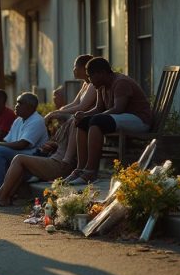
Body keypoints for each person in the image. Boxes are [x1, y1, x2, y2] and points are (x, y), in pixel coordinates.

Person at [65, 56, 153, 185]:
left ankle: (90, 172)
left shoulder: (121, 82)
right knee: (83, 123)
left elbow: (118, 108)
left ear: (101, 73)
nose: (89, 80)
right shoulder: (100, 86)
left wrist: (94, 118)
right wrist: (84, 114)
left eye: (90, 76)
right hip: (120, 119)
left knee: (96, 121)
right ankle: (80, 169)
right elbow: (98, 108)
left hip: (139, 120)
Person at [0, 119, 78, 207]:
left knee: (18, 158)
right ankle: (2, 195)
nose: (17, 106)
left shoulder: (74, 122)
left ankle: (1, 197)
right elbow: (62, 148)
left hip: (60, 165)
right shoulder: (66, 124)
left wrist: (65, 162)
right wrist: (52, 146)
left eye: (20, 103)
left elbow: (69, 156)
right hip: (51, 158)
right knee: (0, 152)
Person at [0, 92, 49, 199]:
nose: (16, 105)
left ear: (30, 107)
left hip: (34, 157)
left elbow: (22, 144)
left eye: (20, 103)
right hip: (22, 153)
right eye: (17, 102)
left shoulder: (37, 120)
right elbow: (7, 141)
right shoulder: (18, 120)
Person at [44, 54, 97, 124]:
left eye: (76, 67)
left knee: (66, 119)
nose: (74, 69)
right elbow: (75, 103)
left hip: (88, 118)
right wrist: (59, 111)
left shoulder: (92, 85)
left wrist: (57, 113)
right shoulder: (85, 84)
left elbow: (82, 107)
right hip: (81, 116)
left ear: (84, 68)